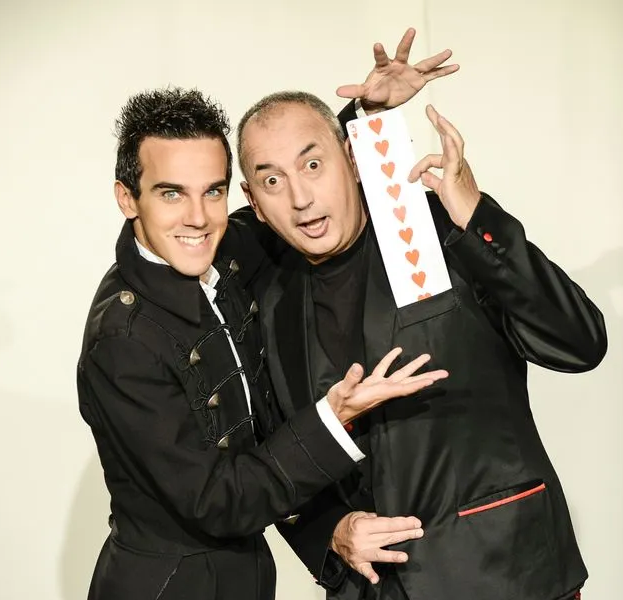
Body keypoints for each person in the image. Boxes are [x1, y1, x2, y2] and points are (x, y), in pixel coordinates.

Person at [76, 48, 455, 598]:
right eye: (171, 193)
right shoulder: (122, 339)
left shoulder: (225, 249)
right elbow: (219, 501)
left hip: (244, 579)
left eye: (212, 191)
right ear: (127, 199)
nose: (198, 218)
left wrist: (364, 118)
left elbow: (294, 198)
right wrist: (333, 417)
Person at [233, 74, 608, 599]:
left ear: (352, 159)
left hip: (505, 574)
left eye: (313, 165)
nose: (300, 198)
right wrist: (332, 530)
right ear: (252, 199)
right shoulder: (265, 299)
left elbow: (580, 342)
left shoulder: (439, 228)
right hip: (373, 589)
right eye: (272, 181)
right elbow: (278, 453)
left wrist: (476, 215)